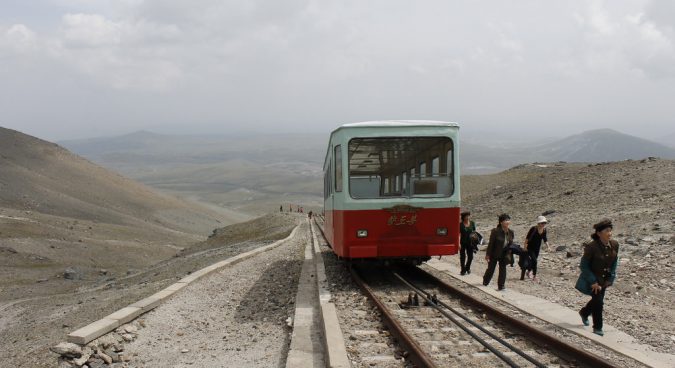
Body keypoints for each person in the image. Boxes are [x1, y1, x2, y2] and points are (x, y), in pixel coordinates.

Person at [574, 219, 619, 336]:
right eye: (606, 231)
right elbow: (583, 265)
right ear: (599, 233)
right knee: (599, 303)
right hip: (593, 279)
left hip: (604, 280)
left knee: (596, 301)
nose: (609, 233)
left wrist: (611, 278)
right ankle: (598, 328)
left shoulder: (615, 244)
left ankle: (584, 313)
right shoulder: (591, 247)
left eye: (610, 230)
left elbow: (615, 261)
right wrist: (593, 281)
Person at [483, 214, 514, 291]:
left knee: (503, 269)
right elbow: (491, 244)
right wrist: (488, 254)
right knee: (491, 268)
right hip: (494, 253)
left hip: (504, 253)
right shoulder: (495, 231)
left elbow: (511, 244)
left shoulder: (511, 232)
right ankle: (486, 281)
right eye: (505, 220)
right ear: (501, 222)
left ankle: (501, 286)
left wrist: (510, 254)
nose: (507, 222)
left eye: (508, 220)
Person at [522, 215, 552, 281]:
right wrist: (525, 247)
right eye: (542, 223)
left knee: (533, 261)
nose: (543, 224)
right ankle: (534, 276)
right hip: (530, 248)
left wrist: (548, 247)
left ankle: (529, 272)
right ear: (538, 223)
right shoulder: (533, 229)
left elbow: (545, 239)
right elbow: (527, 238)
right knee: (535, 261)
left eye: (544, 223)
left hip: (537, 249)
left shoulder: (544, 230)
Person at [459, 211, 476, 275]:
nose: (468, 217)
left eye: (468, 216)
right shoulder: (460, 225)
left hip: (470, 243)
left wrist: (475, 241)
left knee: (470, 257)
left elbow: (474, 232)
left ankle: (467, 267)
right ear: (463, 217)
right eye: (466, 216)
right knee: (462, 257)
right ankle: (463, 270)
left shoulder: (472, 223)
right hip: (462, 243)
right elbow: (459, 235)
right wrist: (458, 244)